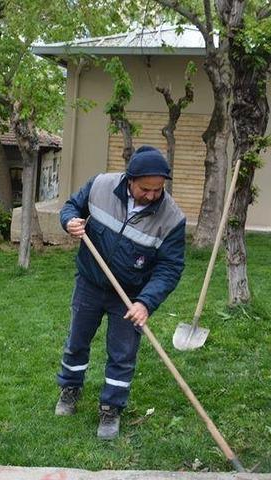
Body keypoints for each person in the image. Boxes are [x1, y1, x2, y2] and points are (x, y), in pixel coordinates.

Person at [55, 145, 186, 440]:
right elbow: (71, 206)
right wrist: (70, 221)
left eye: (158, 189)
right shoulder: (101, 185)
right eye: (145, 189)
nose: (153, 195)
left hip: (130, 295)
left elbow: (170, 267)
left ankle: (111, 408)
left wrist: (146, 302)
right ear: (130, 179)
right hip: (90, 282)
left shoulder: (172, 218)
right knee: (77, 341)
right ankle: (70, 390)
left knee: (122, 354)